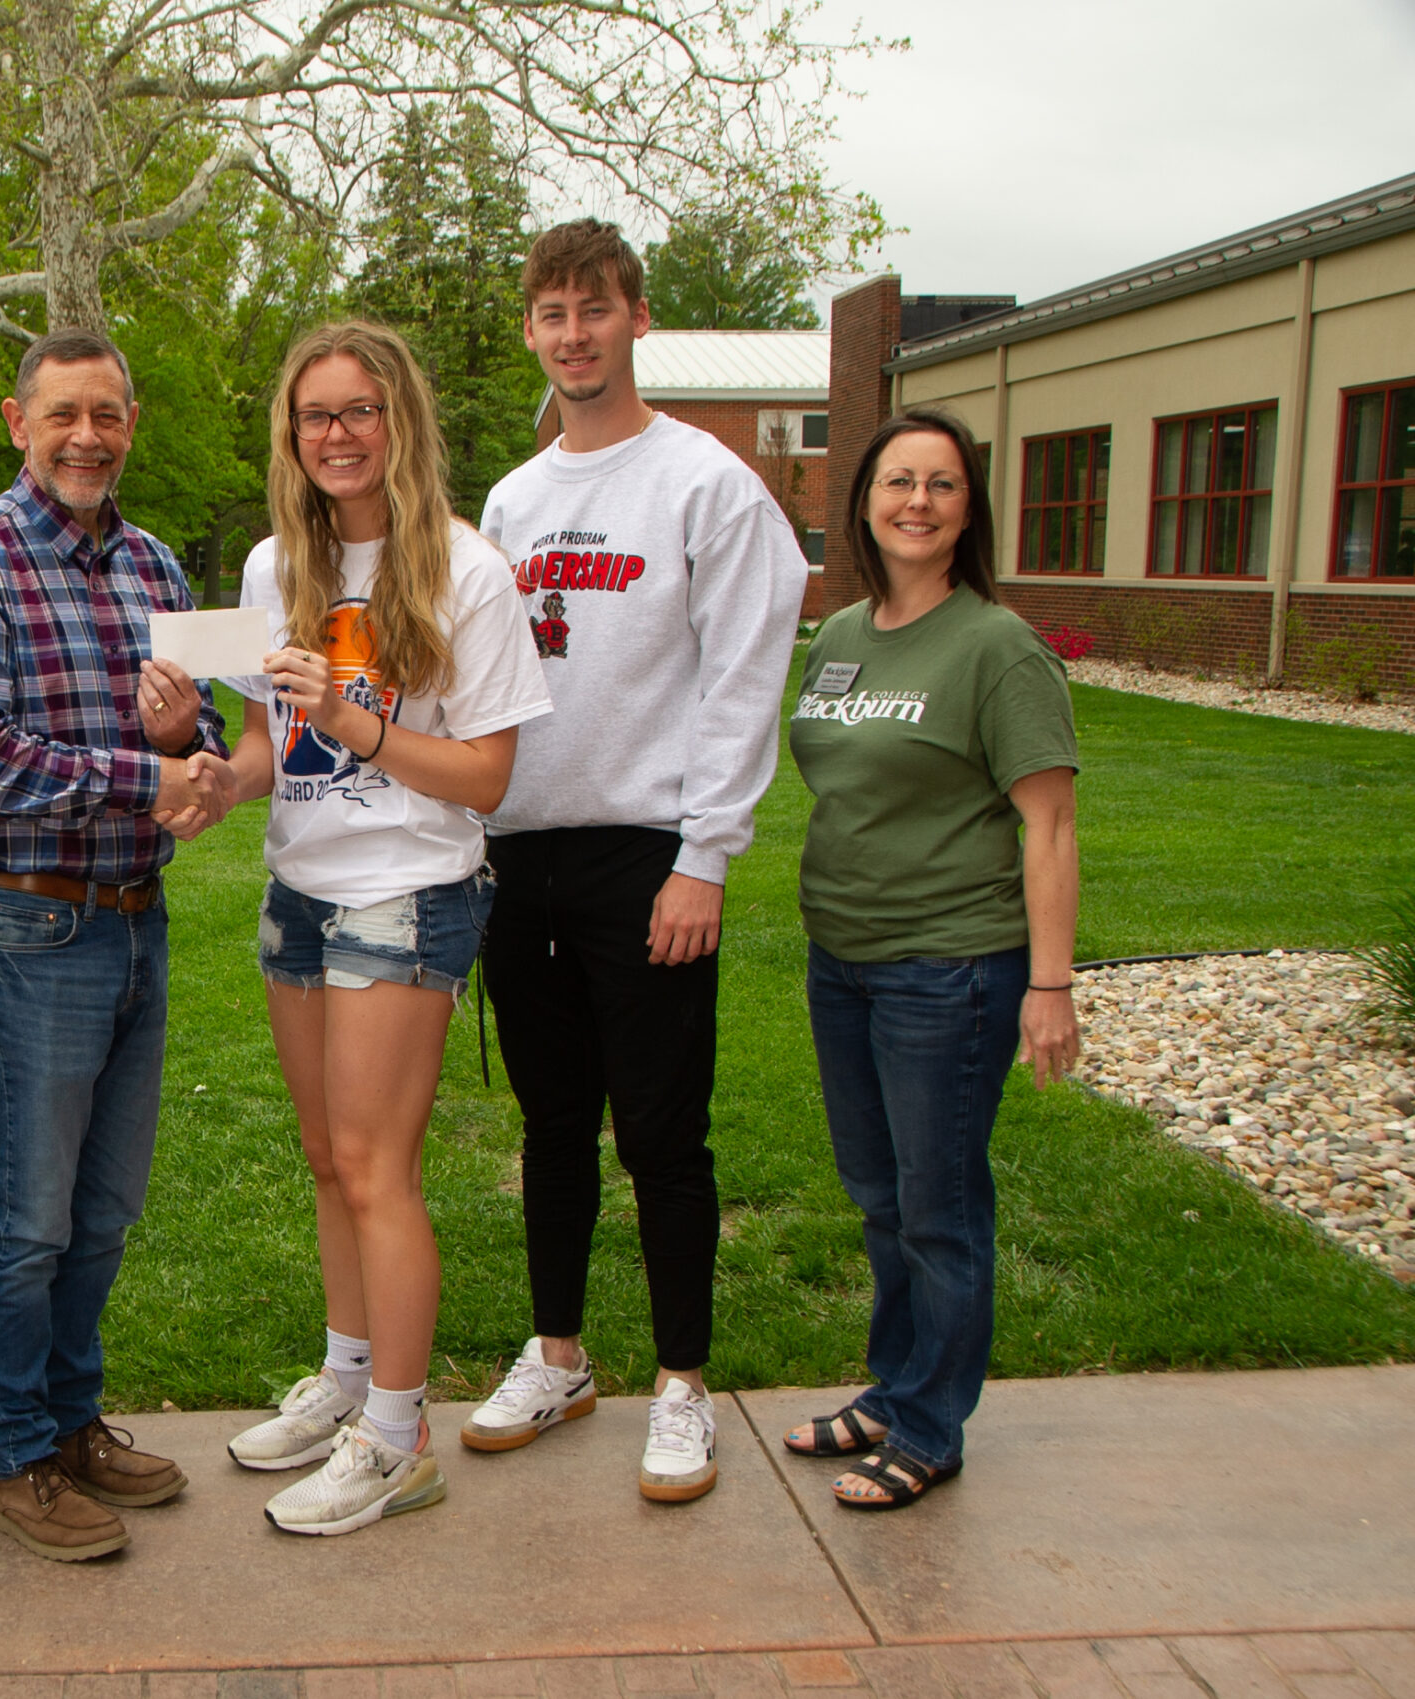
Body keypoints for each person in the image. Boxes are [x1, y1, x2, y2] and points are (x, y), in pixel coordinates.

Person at [468, 218, 808, 1502]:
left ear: (636, 316)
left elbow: (741, 678)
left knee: (661, 1134)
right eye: (551, 312)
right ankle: (557, 1353)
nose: (573, 333)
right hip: (523, 852)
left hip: (648, 855)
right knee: (551, 1124)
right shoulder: (513, 496)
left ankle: (682, 1384)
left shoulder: (706, 483)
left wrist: (705, 854)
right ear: (529, 330)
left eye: (593, 308)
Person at [0, 327, 237, 1562]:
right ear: (16, 421)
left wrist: (187, 738)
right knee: (33, 1212)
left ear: (130, 424)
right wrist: (139, 777)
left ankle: (72, 1416)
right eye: (63, 415)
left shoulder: (152, 565)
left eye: (107, 413)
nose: (86, 435)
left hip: (136, 921)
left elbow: (190, 734)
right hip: (32, 922)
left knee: (105, 1210)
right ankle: (15, 1456)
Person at [219, 321, 551, 1536]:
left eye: (359, 411)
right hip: (299, 887)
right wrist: (205, 767)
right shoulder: (274, 569)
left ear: (399, 421)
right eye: (315, 416)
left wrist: (358, 723)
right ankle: (346, 1379)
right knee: (325, 1158)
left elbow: (486, 779)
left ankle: (398, 1440)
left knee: (376, 1168)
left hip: (407, 890)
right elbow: (268, 748)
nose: (337, 435)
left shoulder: (468, 572)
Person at [782, 409, 1080, 1509]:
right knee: (876, 1192)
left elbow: (1046, 826)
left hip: (949, 967)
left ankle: (930, 1423)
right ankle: (894, 1384)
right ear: (862, 500)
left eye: (941, 485)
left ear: (969, 507)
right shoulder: (843, 633)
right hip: (842, 956)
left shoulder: (996, 646)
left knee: (940, 1205)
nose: (917, 501)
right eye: (897, 480)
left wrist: (1047, 986)